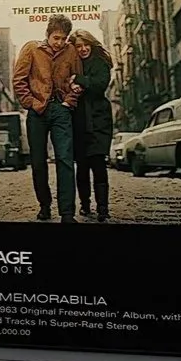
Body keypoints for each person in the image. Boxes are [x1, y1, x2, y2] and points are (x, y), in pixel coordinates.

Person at [12, 14, 81, 223]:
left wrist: (69, 101)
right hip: (37, 112)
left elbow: (77, 80)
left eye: (63, 38)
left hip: (61, 111)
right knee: (38, 161)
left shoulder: (70, 52)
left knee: (65, 159)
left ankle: (67, 213)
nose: (59, 43)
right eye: (56, 38)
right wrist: (31, 103)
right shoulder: (31, 49)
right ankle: (44, 205)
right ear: (48, 34)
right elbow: (18, 80)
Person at [70, 28, 114, 222]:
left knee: (98, 164)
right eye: (78, 46)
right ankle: (85, 205)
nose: (83, 49)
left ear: (91, 44)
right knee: (81, 166)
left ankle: (103, 208)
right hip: (78, 120)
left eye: (86, 45)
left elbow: (99, 85)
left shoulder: (100, 62)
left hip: (98, 121)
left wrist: (79, 80)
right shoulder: (72, 63)